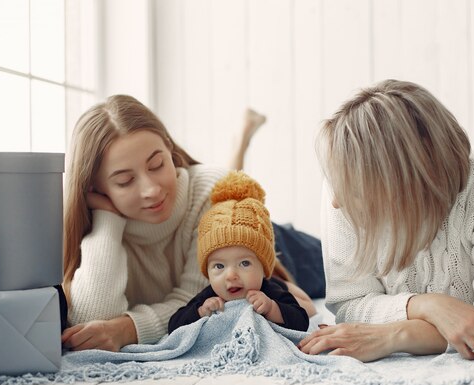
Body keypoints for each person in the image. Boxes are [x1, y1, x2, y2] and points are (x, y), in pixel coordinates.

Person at [299, 79, 474, 362]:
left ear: (405, 178)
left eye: (355, 192)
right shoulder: (342, 182)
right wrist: (429, 305)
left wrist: (396, 335)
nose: (337, 202)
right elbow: (349, 302)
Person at [60, 95, 318, 352]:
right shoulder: (96, 225)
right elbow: (92, 321)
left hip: (267, 251)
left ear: (170, 151)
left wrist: (128, 329)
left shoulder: (209, 190)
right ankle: (241, 139)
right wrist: (107, 221)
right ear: (96, 187)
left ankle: (241, 140)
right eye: (125, 181)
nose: (151, 190)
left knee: (333, 269)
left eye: (157, 164)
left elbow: (205, 297)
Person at [168, 171, 310, 333]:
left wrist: (272, 308)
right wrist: (199, 312)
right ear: (207, 271)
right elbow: (173, 326)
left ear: (263, 268)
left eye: (244, 263)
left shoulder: (269, 291)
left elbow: (301, 321)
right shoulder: (209, 296)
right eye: (219, 266)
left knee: (303, 292)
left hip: (301, 255)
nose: (230, 275)